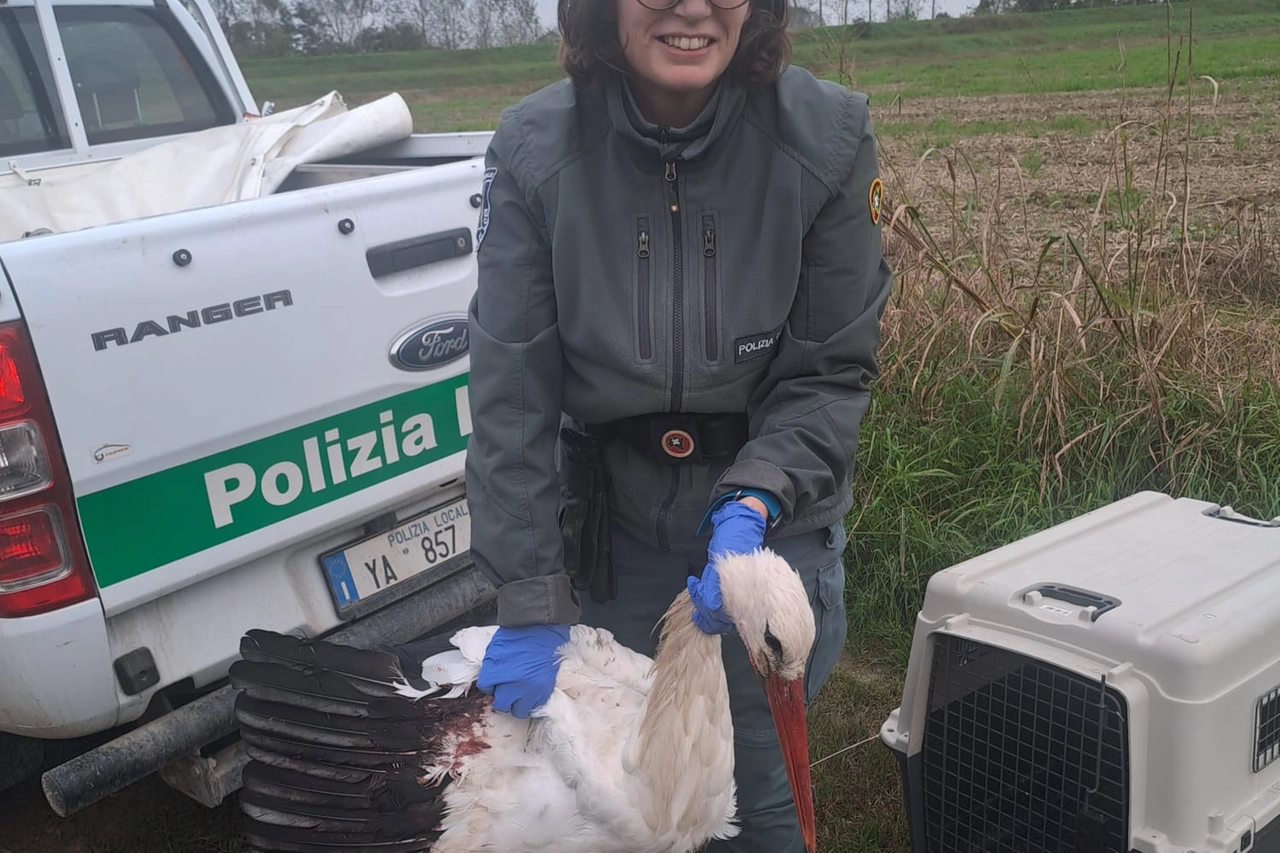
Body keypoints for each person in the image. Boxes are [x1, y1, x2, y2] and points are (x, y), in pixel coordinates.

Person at [463, 0, 892, 848]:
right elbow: (513, 394)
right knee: (621, 809)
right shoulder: (531, 149)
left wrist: (753, 503)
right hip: (611, 539)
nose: (691, 8)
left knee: (760, 804)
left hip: (771, 531)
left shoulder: (830, 138)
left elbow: (829, 370)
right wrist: (528, 594)